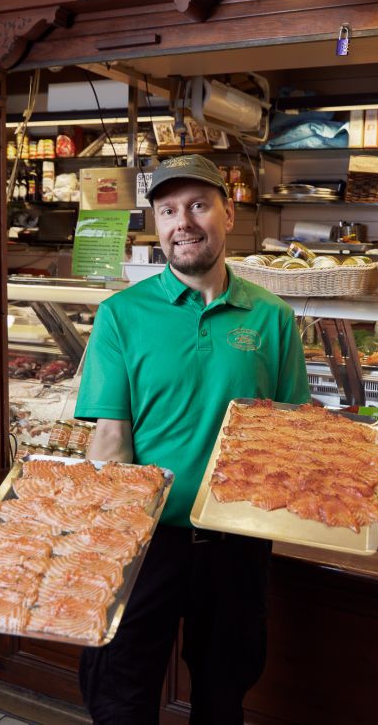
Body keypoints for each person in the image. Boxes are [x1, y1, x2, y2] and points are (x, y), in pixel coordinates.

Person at [74, 154, 311, 724]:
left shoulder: (272, 317)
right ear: (156, 223)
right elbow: (111, 438)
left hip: (238, 543)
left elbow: (289, 436)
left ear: (228, 213)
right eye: (168, 210)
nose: (184, 222)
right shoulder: (121, 315)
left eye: (199, 205)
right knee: (122, 695)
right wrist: (107, 545)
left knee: (223, 696)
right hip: (147, 542)